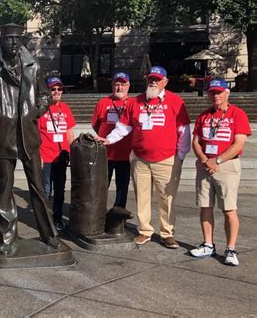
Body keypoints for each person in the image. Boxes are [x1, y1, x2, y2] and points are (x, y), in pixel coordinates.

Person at [0, 23, 58, 255]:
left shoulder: (33, 65)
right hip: (5, 135)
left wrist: (35, 112)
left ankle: (49, 233)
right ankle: (8, 237)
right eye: (9, 38)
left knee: (38, 188)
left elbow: (44, 95)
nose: (13, 42)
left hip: (29, 136)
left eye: (17, 38)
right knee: (5, 189)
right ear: (1, 40)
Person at [98, 66, 191, 249]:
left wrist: (180, 156)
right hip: (141, 159)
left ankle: (167, 233)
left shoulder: (175, 101)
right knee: (142, 197)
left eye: (157, 79)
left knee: (166, 198)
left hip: (166, 159)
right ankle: (145, 230)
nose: (153, 82)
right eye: (150, 79)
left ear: (165, 82)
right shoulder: (136, 102)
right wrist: (108, 139)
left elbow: (184, 131)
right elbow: (124, 127)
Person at [189, 79, 251, 266]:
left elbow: (238, 143)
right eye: (212, 92)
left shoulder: (237, 114)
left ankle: (231, 248)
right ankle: (208, 244)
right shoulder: (204, 116)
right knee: (205, 206)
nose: (215, 95)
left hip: (226, 166)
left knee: (229, 209)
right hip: (205, 165)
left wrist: (217, 160)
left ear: (227, 93)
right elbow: (196, 142)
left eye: (219, 92)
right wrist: (204, 159)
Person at [38, 76, 76, 232]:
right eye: (53, 89)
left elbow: (69, 132)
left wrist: (72, 152)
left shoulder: (65, 108)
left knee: (60, 190)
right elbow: (33, 134)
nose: (56, 92)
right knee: (46, 189)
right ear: (47, 91)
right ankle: (45, 220)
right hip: (45, 156)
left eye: (59, 89)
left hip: (61, 156)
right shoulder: (40, 109)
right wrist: (37, 155)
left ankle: (57, 219)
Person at [92, 72, 133, 208]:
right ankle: (99, 213)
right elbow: (95, 124)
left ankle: (118, 215)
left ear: (128, 86)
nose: (119, 87)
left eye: (123, 84)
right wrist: (104, 136)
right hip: (106, 154)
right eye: (117, 84)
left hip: (125, 154)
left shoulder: (133, 103)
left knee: (122, 187)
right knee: (101, 186)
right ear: (112, 85)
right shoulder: (103, 102)